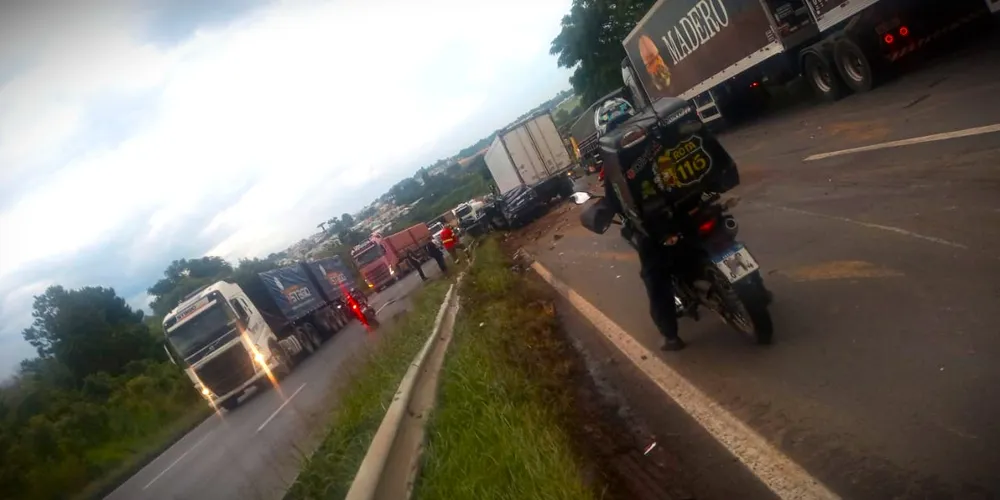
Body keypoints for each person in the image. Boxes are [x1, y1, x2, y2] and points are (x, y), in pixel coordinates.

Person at [596, 97, 685, 351]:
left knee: (654, 276)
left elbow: (613, 200)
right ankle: (753, 285)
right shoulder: (658, 136)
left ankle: (671, 335)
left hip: (656, 225)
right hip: (686, 203)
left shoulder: (613, 163)